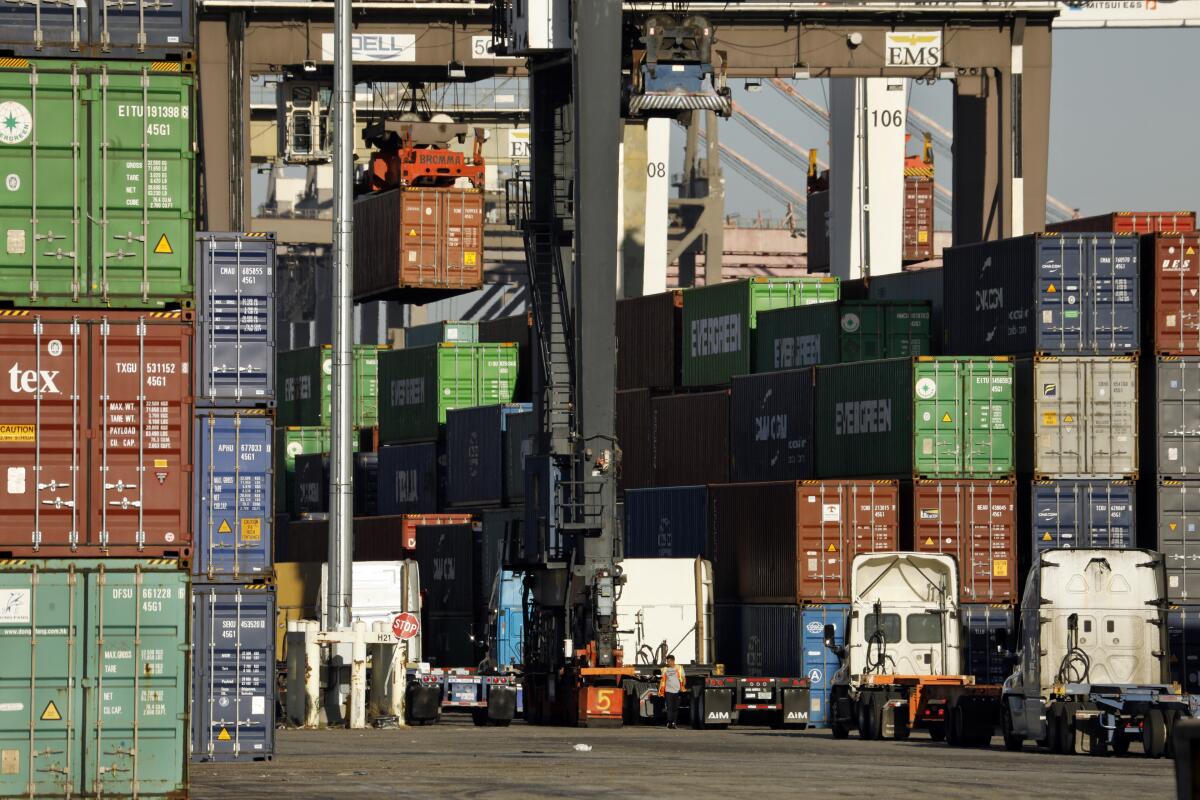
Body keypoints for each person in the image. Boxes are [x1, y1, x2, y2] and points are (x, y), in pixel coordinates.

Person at [658, 654, 686, 729]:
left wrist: (682, 687)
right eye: (667, 661)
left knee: (675, 708)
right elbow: (661, 678)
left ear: (673, 661)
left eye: (669, 661)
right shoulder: (665, 669)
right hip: (668, 691)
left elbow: (683, 678)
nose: (668, 663)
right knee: (669, 708)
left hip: (677, 691)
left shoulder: (679, 668)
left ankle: (674, 722)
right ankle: (670, 722)